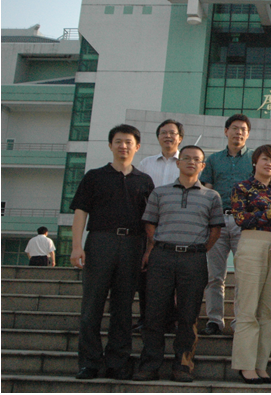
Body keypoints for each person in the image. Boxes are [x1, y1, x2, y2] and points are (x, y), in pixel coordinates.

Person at [133, 145, 225, 383]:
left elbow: (215, 230)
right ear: (178, 162)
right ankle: (149, 364)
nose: (191, 162)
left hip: (193, 259)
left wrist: (199, 249)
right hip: (162, 257)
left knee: (188, 314)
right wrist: (159, 243)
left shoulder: (211, 196)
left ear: (202, 166)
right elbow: (150, 223)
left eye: (197, 160)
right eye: (186, 158)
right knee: (154, 312)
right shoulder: (160, 193)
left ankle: (183, 365)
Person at [70, 124, 155, 380]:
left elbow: (150, 221)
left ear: (137, 147)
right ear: (110, 145)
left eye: (128, 142)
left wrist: (148, 250)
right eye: (118, 141)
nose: (123, 146)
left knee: (123, 306)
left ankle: (118, 361)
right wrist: (76, 246)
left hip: (133, 245)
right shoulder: (94, 176)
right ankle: (89, 362)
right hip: (100, 241)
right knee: (92, 304)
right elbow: (80, 212)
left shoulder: (144, 180)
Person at [230, 144, 271, 384]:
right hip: (251, 244)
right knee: (248, 308)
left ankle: (260, 365)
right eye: (265, 159)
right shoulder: (242, 187)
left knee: (269, 311)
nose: (270, 164)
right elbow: (241, 218)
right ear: (255, 161)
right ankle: (245, 366)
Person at [199, 114, 254, 336]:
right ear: (226, 131)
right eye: (234, 128)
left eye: (243, 129)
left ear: (248, 134)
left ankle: (239, 320)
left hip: (244, 223)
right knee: (215, 275)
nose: (238, 132)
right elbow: (207, 189)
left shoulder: (254, 158)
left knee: (243, 275)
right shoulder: (213, 160)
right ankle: (214, 320)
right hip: (218, 222)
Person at [133, 119, 184, 333]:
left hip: (177, 226)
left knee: (176, 276)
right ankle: (146, 318)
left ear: (180, 138)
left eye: (172, 133)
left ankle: (173, 319)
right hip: (150, 224)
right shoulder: (146, 164)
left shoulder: (186, 162)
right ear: (158, 137)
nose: (168, 136)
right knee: (146, 275)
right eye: (163, 132)